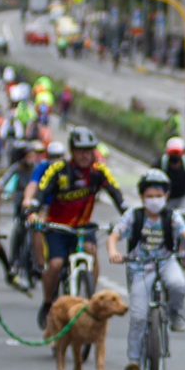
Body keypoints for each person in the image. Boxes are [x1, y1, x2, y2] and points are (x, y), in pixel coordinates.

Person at [106, 169, 185, 370]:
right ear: (142, 197)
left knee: (178, 285)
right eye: (149, 196)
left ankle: (175, 314)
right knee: (139, 316)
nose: (154, 200)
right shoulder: (134, 216)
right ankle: (133, 361)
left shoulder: (172, 216)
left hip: (167, 261)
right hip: (139, 267)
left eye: (158, 195)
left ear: (166, 196)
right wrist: (113, 251)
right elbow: (115, 235)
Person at [29, 126, 126, 328]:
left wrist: (128, 214)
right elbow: (42, 190)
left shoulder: (99, 171)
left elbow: (116, 192)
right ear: (72, 151)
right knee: (55, 264)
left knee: (92, 254)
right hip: (58, 227)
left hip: (83, 227)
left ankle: (90, 298)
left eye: (89, 150)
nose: (85, 155)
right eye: (80, 150)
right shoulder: (58, 169)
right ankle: (48, 303)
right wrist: (33, 209)